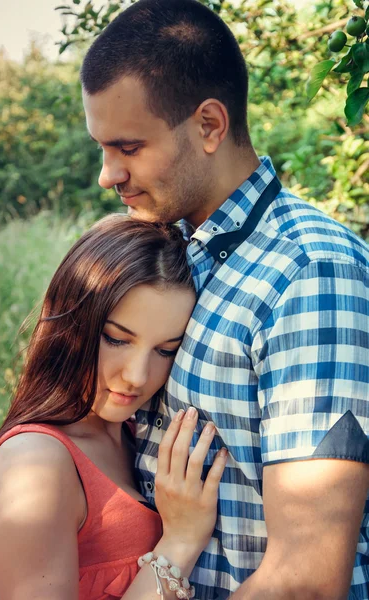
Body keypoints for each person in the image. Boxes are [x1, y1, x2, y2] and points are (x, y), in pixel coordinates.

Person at [78, 1, 369, 599]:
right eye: (102, 148)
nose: (108, 175)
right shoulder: (169, 252)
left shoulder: (309, 274)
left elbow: (307, 580)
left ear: (210, 124)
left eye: (128, 148)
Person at [0, 214, 229, 599]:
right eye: (117, 339)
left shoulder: (131, 433)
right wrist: (180, 543)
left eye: (166, 350)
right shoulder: (34, 464)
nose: (138, 376)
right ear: (72, 322)